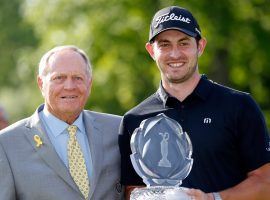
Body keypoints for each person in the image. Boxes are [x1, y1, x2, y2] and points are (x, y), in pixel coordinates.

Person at [118, 6, 270, 200]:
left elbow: (265, 183)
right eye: (164, 44)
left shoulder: (239, 106)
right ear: (151, 51)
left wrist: (212, 198)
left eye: (183, 43)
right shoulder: (134, 119)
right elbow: (133, 190)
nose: (174, 54)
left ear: (200, 46)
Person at [0, 45, 123, 200]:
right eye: (59, 78)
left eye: (78, 78)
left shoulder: (118, 130)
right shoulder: (7, 144)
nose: (69, 86)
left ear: (89, 84)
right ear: (41, 84)